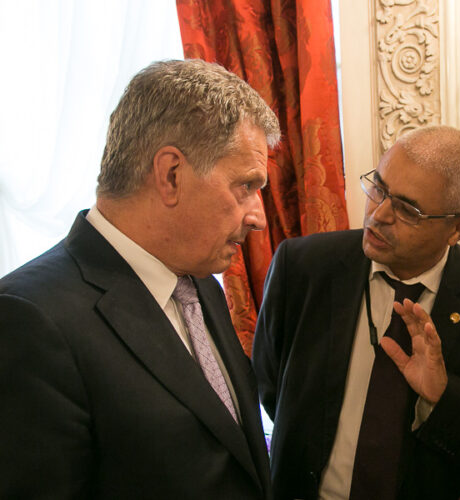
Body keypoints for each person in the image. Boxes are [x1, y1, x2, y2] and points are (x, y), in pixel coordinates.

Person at [0, 59, 281, 498]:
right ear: (171, 175)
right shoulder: (28, 318)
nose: (258, 217)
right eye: (245, 186)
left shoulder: (197, 279)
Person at [252, 125, 460, 500]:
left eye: (407, 209)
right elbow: (270, 384)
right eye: (379, 188)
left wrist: (442, 396)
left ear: (458, 228)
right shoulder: (302, 266)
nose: (379, 214)